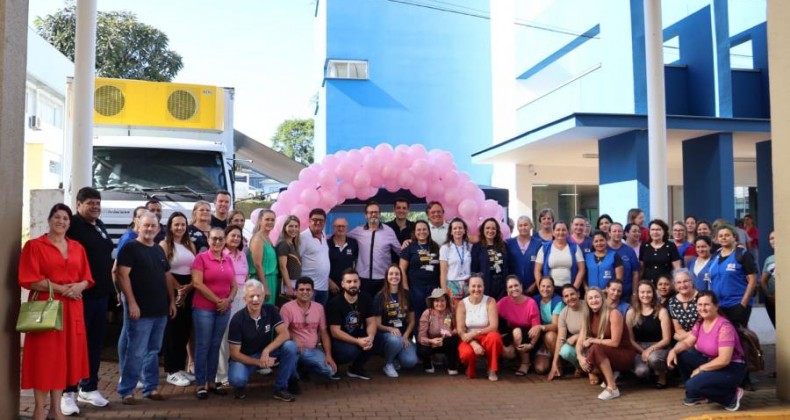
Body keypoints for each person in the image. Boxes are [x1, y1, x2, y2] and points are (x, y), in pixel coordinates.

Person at [20, 203, 94, 420]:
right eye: (57, 217)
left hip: (72, 310)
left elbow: (87, 277)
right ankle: (39, 410)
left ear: (70, 223)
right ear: (49, 219)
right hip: (47, 309)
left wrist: (79, 286)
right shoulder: (34, 246)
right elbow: (28, 279)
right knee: (45, 360)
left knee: (64, 360)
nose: (61, 221)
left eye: (65, 219)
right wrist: (63, 289)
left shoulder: (77, 247)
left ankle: (56, 409)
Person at [116, 211, 176, 404]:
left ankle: (151, 388)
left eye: (153, 226)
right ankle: (127, 390)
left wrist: (172, 301)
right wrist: (131, 303)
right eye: (146, 225)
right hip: (140, 311)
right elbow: (121, 276)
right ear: (138, 226)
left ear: (158, 228)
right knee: (135, 351)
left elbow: (166, 276)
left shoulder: (158, 250)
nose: (150, 229)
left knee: (153, 351)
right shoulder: (130, 248)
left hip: (160, 310)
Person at [64, 187, 114, 411]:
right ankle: (68, 392)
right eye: (90, 203)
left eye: (97, 203)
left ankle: (89, 387)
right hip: (80, 298)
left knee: (95, 345)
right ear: (79, 204)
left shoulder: (99, 225)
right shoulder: (72, 226)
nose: (95, 206)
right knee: (75, 346)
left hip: (100, 297)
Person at [667, 291, 747, 412]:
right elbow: (688, 342)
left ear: (716, 306)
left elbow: (724, 360)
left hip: (731, 368)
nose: (702, 308)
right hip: (713, 362)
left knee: (692, 385)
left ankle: (731, 397)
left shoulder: (725, 327)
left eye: (706, 305)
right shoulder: (700, 322)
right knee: (681, 355)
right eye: (699, 305)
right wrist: (673, 350)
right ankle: (697, 392)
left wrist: (700, 369)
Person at [227, 280, 299, 402]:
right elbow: (234, 354)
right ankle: (240, 386)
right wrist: (258, 362)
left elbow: (285, 334)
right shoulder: (237, 320)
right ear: (245, 298)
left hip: (267, 352)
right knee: (237, 380)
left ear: (263, 296)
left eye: (258, 295)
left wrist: (267, 350)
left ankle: (280, 388)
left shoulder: (271, 310)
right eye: (251, 296)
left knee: (291, 346)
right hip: (246, 357)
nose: (255, 299)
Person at [191, 227, 237, 399]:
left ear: (224, 240)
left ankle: (211, 381)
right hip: (204, 309)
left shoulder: (228, 259)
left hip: (224, 309)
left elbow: (234, 285)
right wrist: (218, 300)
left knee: (215, 345)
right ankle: (200, 384)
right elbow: (197, 283)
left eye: (220, 239)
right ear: (208, 240)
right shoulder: (201, 258)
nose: (217, 242)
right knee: (203, 346)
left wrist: (228, 300)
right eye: (214, 239)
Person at [160, 212, 197, 388]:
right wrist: (177, 290)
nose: (180, 228)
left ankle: (180, 367)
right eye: (176, 224)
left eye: (183, 224)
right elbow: (164, 271)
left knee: (184, 329)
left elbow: (195, 268)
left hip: (189, 289)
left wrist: (189, 287)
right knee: (172, 330)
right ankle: (171, 371)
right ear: (170, 226)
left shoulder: (190, 244)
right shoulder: (165, 245)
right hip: (172, 289)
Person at [577, 287, 635, 401]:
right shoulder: (588, 316)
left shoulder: (614, 313)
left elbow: (615, 342)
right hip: (607, 352)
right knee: (589, 362)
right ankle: (609, 376)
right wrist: (579, 357)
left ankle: (613, 388)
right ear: (587, 302)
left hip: (623, 353)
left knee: (596, 348)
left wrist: (593, 340)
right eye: (590, 298)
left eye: (597, 297)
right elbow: (580, 340)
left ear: (603, 298)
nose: (594, 300)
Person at [280, 277, 338, 382]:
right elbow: (282, 331)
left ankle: (304, 368)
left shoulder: (319, 308)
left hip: (312, 350)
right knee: (291, 375)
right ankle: (294, 372)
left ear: (312, 292)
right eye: (301, 290)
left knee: (330, 371)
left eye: (308, 290)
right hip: (295, 350)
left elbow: (324, 332)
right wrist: (294, 338)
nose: (305, 292)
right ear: (295, 291)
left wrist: (328, 355)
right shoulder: (286, 308)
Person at [326, 269, 377, 379]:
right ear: (342, 284)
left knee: (375, 339)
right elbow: (335, 332)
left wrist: (370, 337)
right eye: (349, 282)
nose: (352, 284)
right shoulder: (335, 303)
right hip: (339, 340)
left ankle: (356, 369)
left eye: (355, 281)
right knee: (350, 351)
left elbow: (371, 322)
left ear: (359, 282)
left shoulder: (366, 298)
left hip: (357, 335)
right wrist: (357, 342)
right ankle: (335, 365)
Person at [216, 225, 249, 386]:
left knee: (239, 335)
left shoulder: (242, 254)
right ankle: (221, 375)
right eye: (232, 235)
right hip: (228, 297)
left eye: (238, 236)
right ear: (225, 237)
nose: (236, 238)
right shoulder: (221, 254)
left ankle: (237, 369)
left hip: (243, 298)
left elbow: (246, 276)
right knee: (225, 336)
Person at [348, 201, 403, 297]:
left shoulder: (388, 231)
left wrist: (410, 246)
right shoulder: (358, 231)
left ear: (380, 214)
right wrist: (324, 237)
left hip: (383, 278)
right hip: (362, 278)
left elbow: (400, 251)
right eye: (370, 212)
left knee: (382, 307)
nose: (373, 214)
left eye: (376, 212)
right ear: (366, 215)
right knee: (365, 307)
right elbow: (342, 236)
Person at [373, 265, 419, 377]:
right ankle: (388, 364)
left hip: (403, 336)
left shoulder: (407, 294)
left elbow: (412, 321)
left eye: (397, 274)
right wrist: (390, 329)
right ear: (386, 277)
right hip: (386, 335)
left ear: (401, 276)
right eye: (391, 274)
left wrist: (406, 335)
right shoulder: (380, 296)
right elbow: (377, 324)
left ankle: (395, 358)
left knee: (411, 361)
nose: (394, 276)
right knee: (395, 340)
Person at [709, 224, 758, 328]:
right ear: (717, 239)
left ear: (734, 237)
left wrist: (743, 303)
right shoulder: (714, 256)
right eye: (721, 236)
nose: (724, 238)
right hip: (719, 306)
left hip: (737, 303)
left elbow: (752, 281)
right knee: (723, 337)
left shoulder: (743, 254)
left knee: (739, 336)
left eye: (727, 235)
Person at [456, 274, 503, 381]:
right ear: (468, 287)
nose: (476, 289)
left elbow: (494, 327)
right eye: (473, 286)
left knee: (494, 337)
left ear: (484, 287)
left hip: (486, 336)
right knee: (467, 354)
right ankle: (470, 367)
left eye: (479, 286)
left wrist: (474, 333)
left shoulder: (490, 301)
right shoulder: (462, 304)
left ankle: (492, 369)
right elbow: (460, 330)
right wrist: (473, 343)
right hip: (468, 339)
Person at [625, 281, 671, 388]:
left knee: (653, 359)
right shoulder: (631, 313)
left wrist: (649, 350)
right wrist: (643, 351)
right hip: (639, 346)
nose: (645, 295)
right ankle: (649, 372)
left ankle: (662, 375)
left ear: (653, 293)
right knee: (641, 372)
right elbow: (630, 339)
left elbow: (666, 339)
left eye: (649, 292)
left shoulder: (661, 311)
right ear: (637, 294)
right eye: (642, 292)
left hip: (659, 347)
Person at [497, 276, 541, 376]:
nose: (514, 289)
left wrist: (532, 344)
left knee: (517, 331)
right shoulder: (503, 302)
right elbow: (491, 314)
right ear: (507, 290)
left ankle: (526, 363)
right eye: (510, 287)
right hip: (513, 335)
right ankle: (516, 360)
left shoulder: (531, 303)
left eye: (516, 285)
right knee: (507, 352)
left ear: (521, 286)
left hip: (530, 336)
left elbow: (536, 327)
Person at [399, 220, 440, 321]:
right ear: (414, 232)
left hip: (433, 288)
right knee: (418, 318)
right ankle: (419, 337)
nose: (422, 232)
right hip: (416, 289)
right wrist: (406, 289)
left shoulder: (435, 247)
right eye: (419, 229)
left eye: (424, 229)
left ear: (428, 231)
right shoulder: (409, 247)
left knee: (433, 317)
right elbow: (402, 269)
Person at [547, 285, 587, 381]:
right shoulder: (563, 313)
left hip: (590, 341)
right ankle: (580, 367)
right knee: (564, 350)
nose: (570, 298)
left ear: (578, 294)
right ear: (563, 299)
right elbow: (561, 339)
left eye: (572, 294)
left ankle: (591, 371)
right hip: (578, 346)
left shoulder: (587, 306)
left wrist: (577, 336)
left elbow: (596, 330)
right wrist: (554, 364)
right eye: (566, 296)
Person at [534, 221, 585, 293]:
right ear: (553, 232)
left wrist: (574, 289)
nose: (561, 232)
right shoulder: (545, 248)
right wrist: (542, 289)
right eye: (558, 230)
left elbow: (581, 269)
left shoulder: (575, 247)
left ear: (567, 232)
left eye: (563, 230)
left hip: (569, 289)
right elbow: (537, 270)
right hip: (549, 290)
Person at [418, 288, 460, 375]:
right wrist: (431, 341)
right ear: (432, 302)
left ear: (446, 301)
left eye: (442, 300)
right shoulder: (427, 313)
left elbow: (458, 328)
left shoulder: (452, 311)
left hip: (447, 340)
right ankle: (427, 363)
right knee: (422, 349)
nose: (440, 304)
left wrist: (449, 334)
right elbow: (421, 336)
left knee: (455, 341)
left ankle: (452, 366)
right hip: (431, 342)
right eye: (437, 301)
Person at [531, 276, 564, 374]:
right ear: (539, 287)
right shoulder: (534, 300)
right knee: (540, 369)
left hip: (555, 337)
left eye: (548, 287)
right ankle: (545, 359)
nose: (545, 289)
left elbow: (555, 325)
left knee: (550, 335)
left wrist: (540, 327)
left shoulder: (558, 301)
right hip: (540, 339)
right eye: (543, 286)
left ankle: (559, 363)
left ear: (553, 288)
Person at [471, 218, 510, 300]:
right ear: (483, 230)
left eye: (493, 228)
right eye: (487, 228)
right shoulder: (477, 247)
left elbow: (508, 266)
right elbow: (474, 269)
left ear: (497, 230)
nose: (490, 231)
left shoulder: (503, 246)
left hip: (501, 286)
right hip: (485, 285)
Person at [300, 209, 331, 305]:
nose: (318, 222)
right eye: (315, 220)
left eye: (321, 220)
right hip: (308, 288)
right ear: (309, 221)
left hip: (323, 287)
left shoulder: (323, 235)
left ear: (325, 222)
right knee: (308, 317)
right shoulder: (302, 237)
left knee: (320, 315)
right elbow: (295, 262)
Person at [439, 217, 472, 305]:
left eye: (460, 228)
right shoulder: (445, 248)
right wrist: (444, 292)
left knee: (468, 313)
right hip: (452, 285)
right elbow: (443, 272)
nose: (458, 230)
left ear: (464, 230)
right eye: (455, 228)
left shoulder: (469, 247)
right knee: (454, 314)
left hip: (468, 284)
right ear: (451, 231)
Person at [506, 216, 543, 294]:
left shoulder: (538, 244)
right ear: (517, 227)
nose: (523, 227)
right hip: (513, 289)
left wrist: (535, 285)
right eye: (520, 225)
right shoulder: (509, 243)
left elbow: (542, 269)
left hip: (534, 288)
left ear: (531, 226)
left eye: (526, 225)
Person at [248, 209, 278, 305]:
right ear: (260, 220)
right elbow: (257, 264)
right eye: (267, 219)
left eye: (272, 220)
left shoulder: (267, 238)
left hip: (271, 279)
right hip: (261, 281)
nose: (270, 222)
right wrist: (264, 286)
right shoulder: (258, 239)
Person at [639, 219, 681, 284]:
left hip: (666, 285)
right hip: (647, 285)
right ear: (649, 232)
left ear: (664, 231)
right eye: (652, 230)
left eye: (658, 229)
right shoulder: (644, 246)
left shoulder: (671, 246)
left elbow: (677, 268)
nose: (655, 232)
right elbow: (641, 268)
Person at [608, 222, 640, 298]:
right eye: (614, 231)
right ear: (609, 233)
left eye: (619, 231)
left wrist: (634, 293)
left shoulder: (629, 250)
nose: (617, 233)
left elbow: (635, 273)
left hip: (626, 293)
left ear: (623, 233)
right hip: (607, 293)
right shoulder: (604, 249)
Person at [328, 217, 357, 296]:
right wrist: (329, 282)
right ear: (333, 228)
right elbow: (321, 266)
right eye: (338, 226)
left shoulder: (353, 243)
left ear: (347, 228)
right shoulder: (326, 244)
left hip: (348, 286)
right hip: (331, 286)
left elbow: (356, 263)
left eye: (343, 226)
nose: (341, 229)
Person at [668, 268, 700, 342]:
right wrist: (687, 340)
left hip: (701, 338)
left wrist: (682, 337)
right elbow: (678, 329)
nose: (682, 285)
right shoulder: (673, 301)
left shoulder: (701, 297)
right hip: (685, 340)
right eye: (679, 282)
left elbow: (705, 327)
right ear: (675, 285)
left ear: (692, 282)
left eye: (685, 281)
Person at [277, 215, 302, 297]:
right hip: (288, 283)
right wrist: (289, 286)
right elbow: (282, 267)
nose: (294, 229)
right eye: (291, 226)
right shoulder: (284, 244)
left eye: (296, 226)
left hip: (295, 281)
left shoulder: (293, 243)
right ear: (285, 227)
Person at [760, 231, 776, 327]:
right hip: (773, 300)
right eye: (771, 238)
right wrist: (769, 296)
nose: (773, 241)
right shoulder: (769, 260)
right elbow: (763, 281)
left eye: (775, 237)